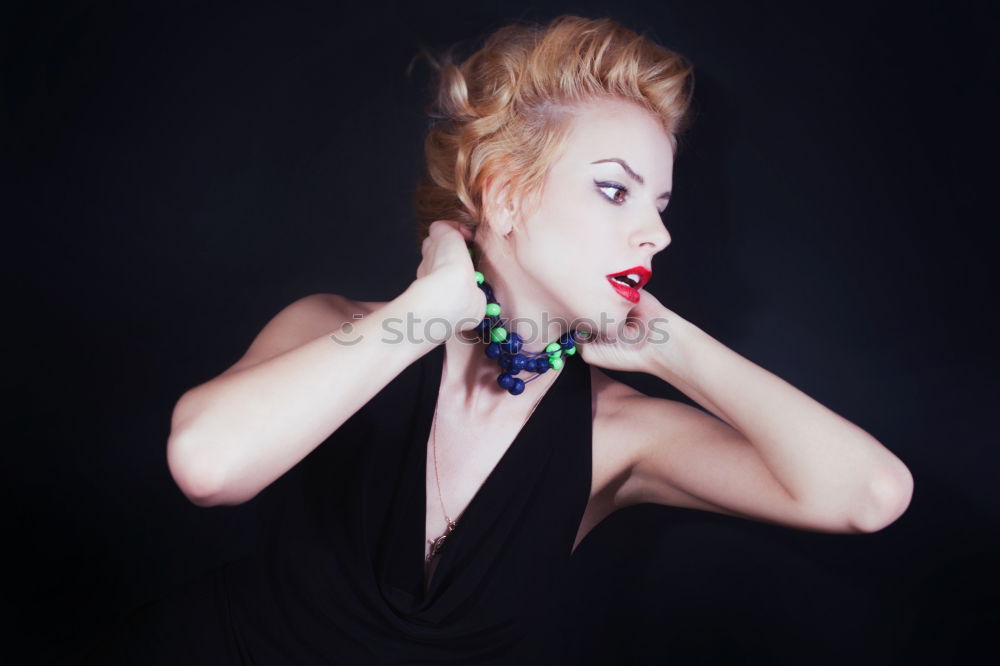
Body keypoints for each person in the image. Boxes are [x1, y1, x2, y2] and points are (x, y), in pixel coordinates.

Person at [82, 14, 914, 665]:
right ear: (504, 194)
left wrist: (670, 345)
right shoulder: (335, 329)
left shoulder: (620, 432)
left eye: (661, 206)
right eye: (615, 191)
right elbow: (207, 466)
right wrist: (435, 306)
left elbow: (868, 496)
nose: (655, 236)